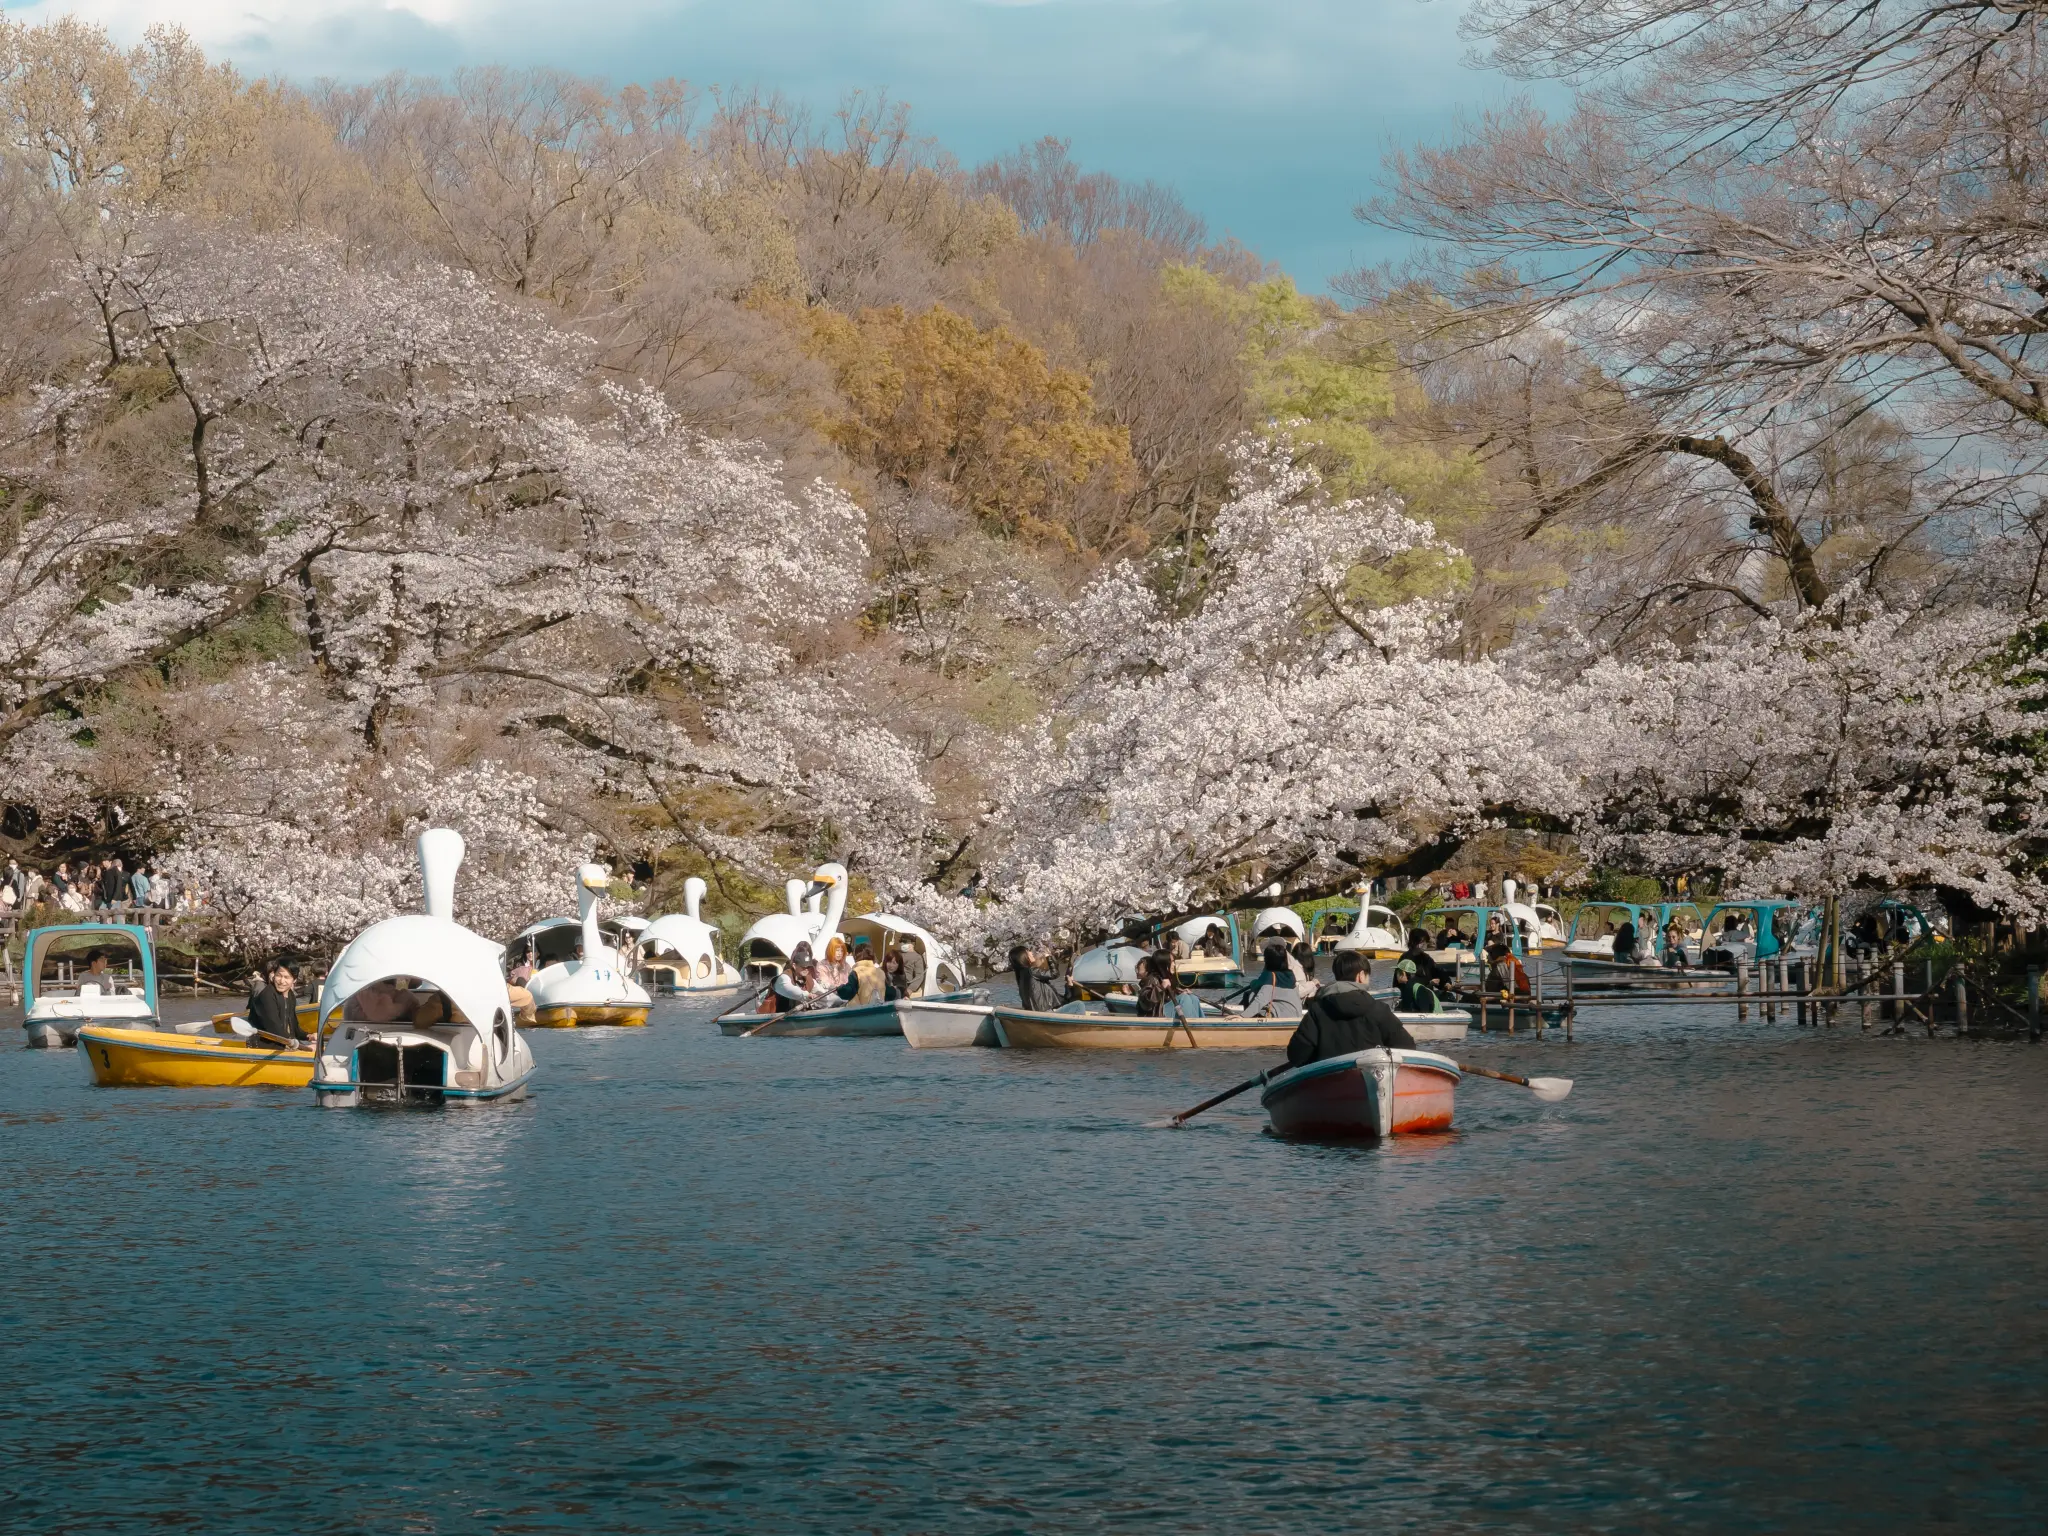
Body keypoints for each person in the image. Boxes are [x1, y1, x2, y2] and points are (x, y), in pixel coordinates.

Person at [1286, 951, 1415, 1067]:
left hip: (1328, 1081)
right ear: (1361, 976)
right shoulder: (1379, 1010)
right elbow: (1408, 1048)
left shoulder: (1317, 1010)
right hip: (1371, 1072)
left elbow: (1296, 1055)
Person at [1234, 943, 1302, 1019]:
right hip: (1297, 1015)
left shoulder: (1271, 976)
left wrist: (1242, 1016)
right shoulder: (1291, 975)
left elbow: (1260, 1000)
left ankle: (1244, 1018)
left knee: (1250, 994)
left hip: (1282, 1016)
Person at [249, 962, 307, 1044]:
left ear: (294, 980)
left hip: (284, 1043)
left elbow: (294, 1027)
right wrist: (299, 1046)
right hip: (263, 1047)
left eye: (287, 977)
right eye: (279, 976)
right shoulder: (267, 995)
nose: (282, 981)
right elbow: (274, 1028)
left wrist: (308, 1036)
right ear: (273, 975)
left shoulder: (290, 995)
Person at [772, 942, 825, 1013]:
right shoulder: (784, 977)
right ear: (794, 965)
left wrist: (840, 1001)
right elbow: (790, 989)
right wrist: (807, 995)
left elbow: (822, 993)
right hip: (782, 1013)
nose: (806, 970)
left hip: (800, 1012)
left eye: (808, 967)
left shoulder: (809, 978)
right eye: (803, 967)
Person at [1010, 944, 1063, 1012]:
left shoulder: (1021, 974)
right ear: (1023, 956)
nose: (1031, 953)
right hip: (1047, 1010)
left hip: (1036, 1010)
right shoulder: (1031, 971)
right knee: (1079, 1004)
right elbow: (1054, 974)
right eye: (1028, 951)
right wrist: (1048, 957)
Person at [1136, 953, 1179, 1018]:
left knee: (1192, 997)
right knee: (1185, 999)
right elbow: (1146, 1002)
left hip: (1164, 1013)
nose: (1174, 964)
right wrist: (1161, 988)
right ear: (1164, 964)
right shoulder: (1152, 979)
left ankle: (1195, 1024)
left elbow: (1169, 995)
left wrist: (1181, 992)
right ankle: (1193, 1025)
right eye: (1172, 961)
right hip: (1156, 1017)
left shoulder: (1164, 978)